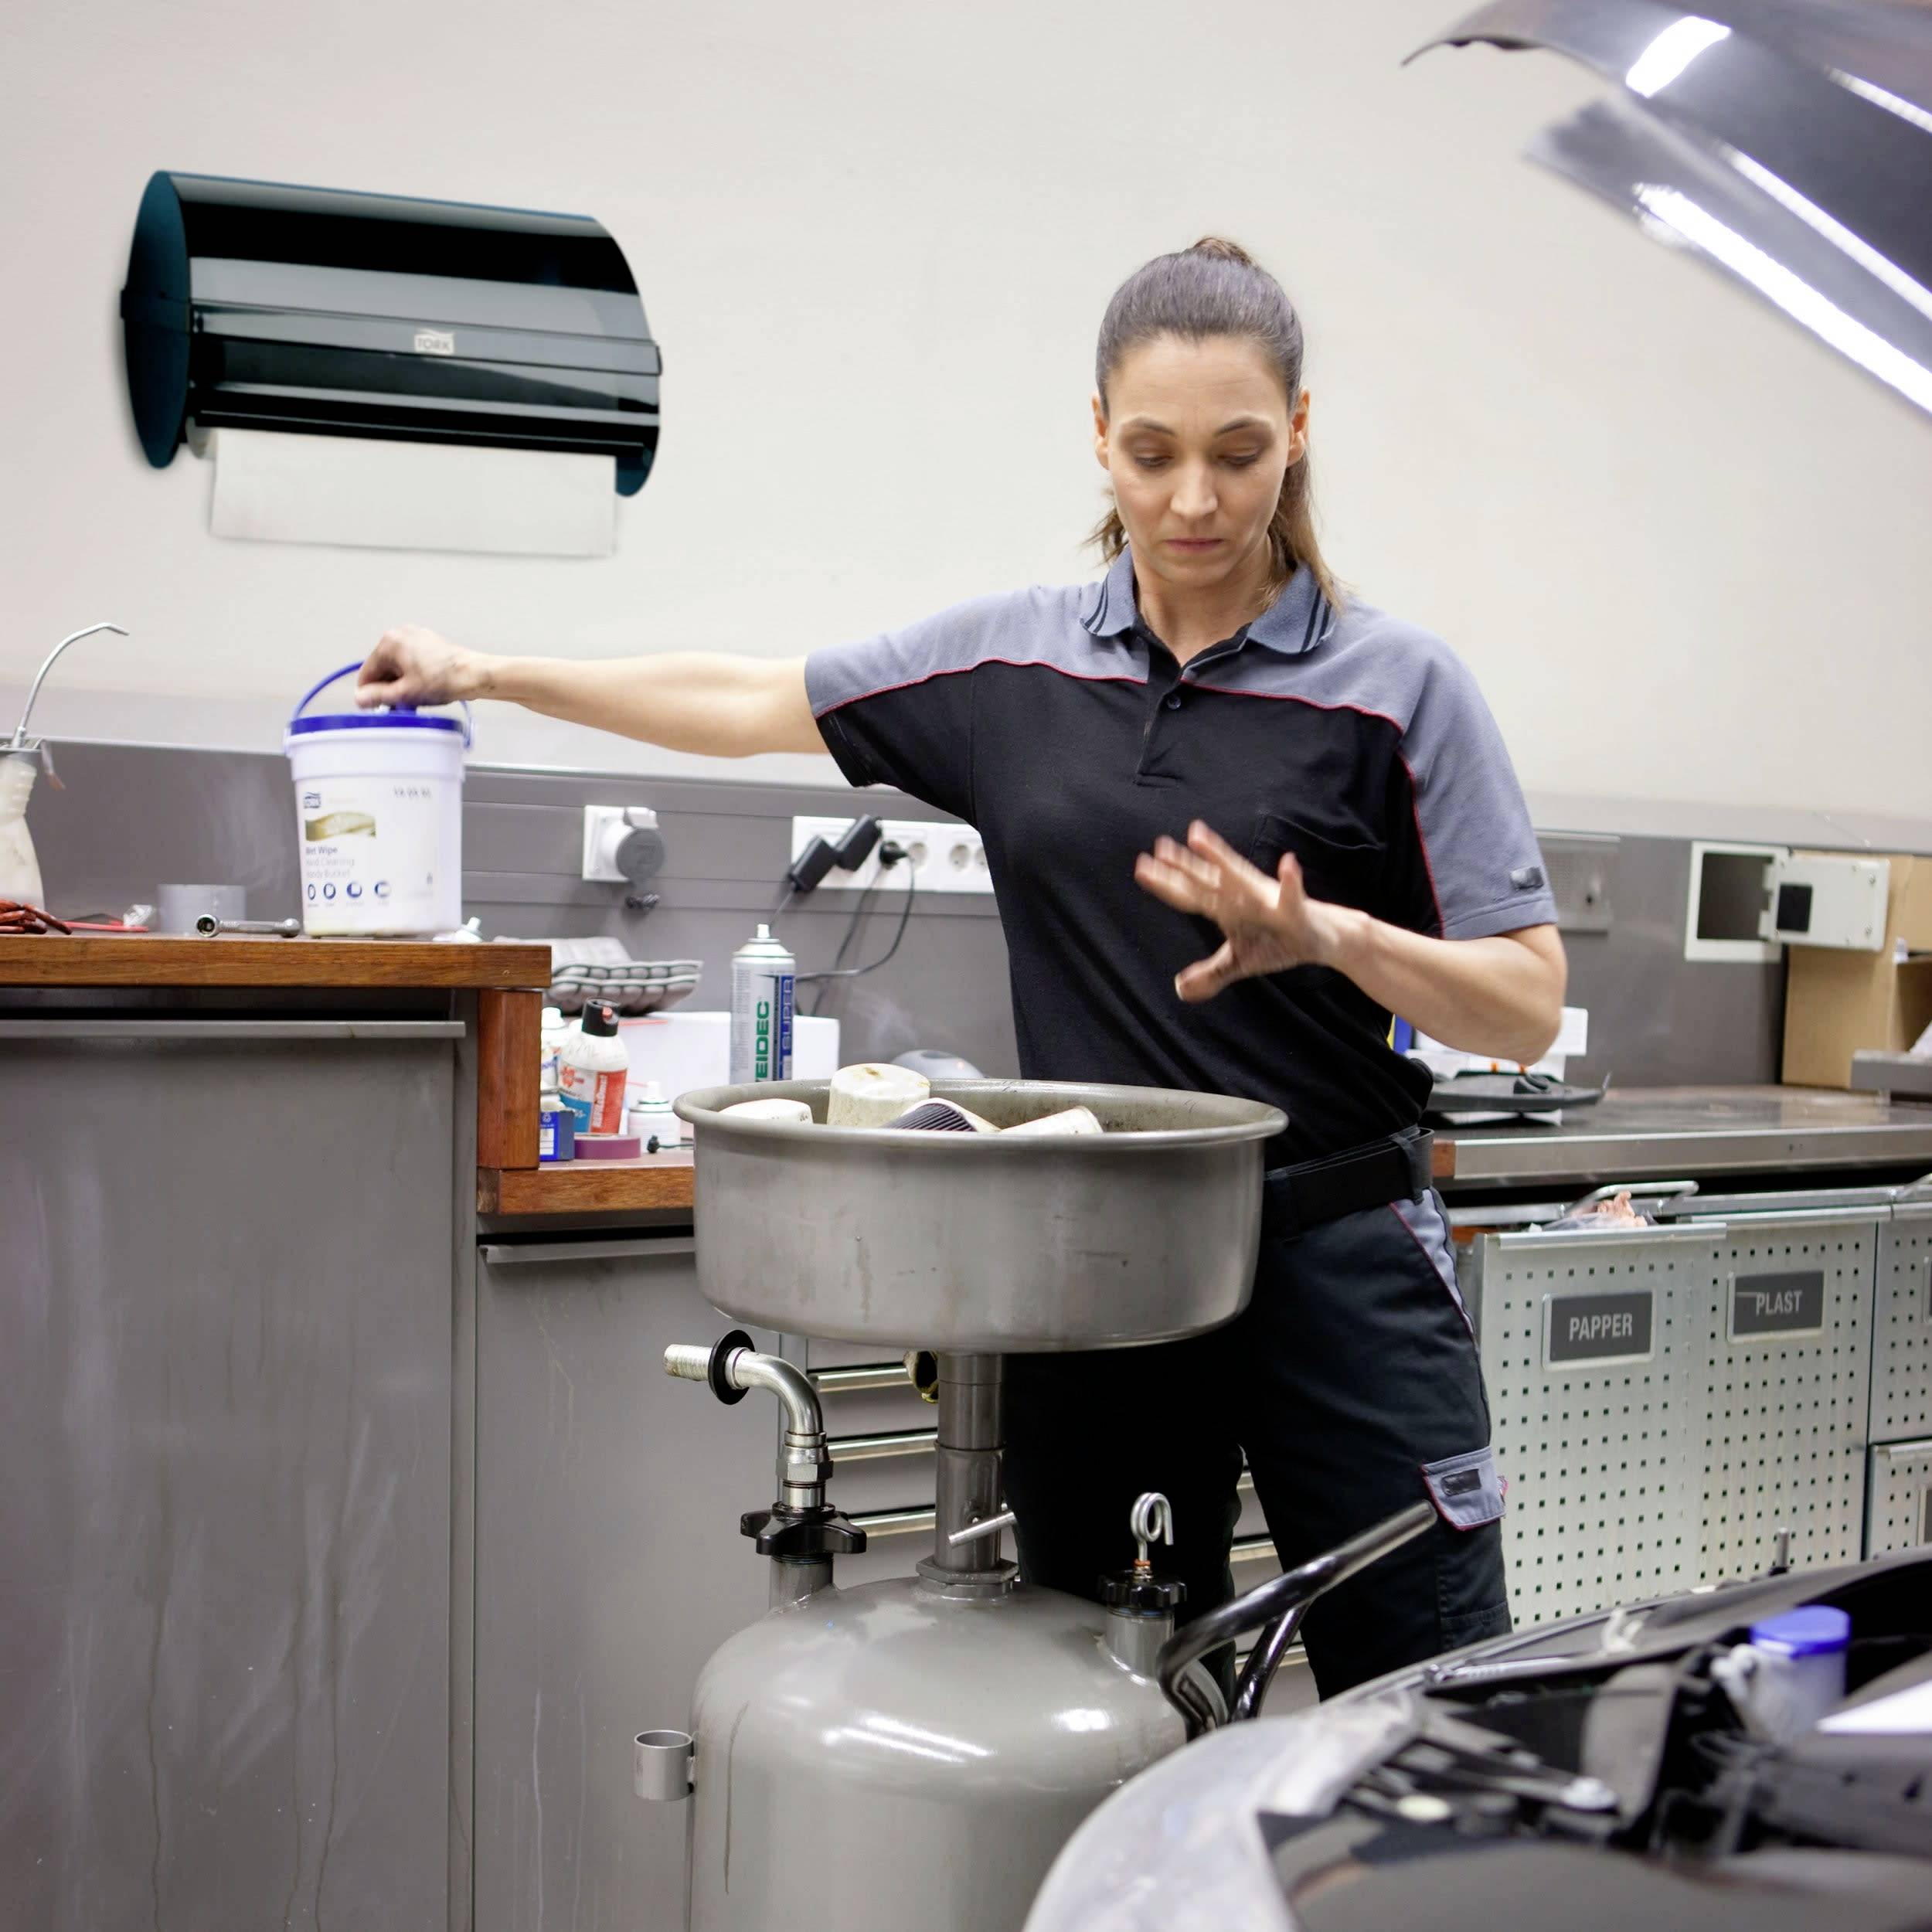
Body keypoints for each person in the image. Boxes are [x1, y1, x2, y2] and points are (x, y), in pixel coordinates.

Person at [358, 237, 1566, 1696]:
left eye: (1242, 454)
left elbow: (1525, 996)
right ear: (1097, 438)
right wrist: (486, 671)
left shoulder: (1399, 688)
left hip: (1342, 1255)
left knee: (1429, 1699)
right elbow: (750, 698)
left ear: (1300, 433)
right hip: (1106, 1268)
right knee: (1106, 1705)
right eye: (1153, 451)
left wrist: (1332, 937)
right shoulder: (1014, 673)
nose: (1196, 500)